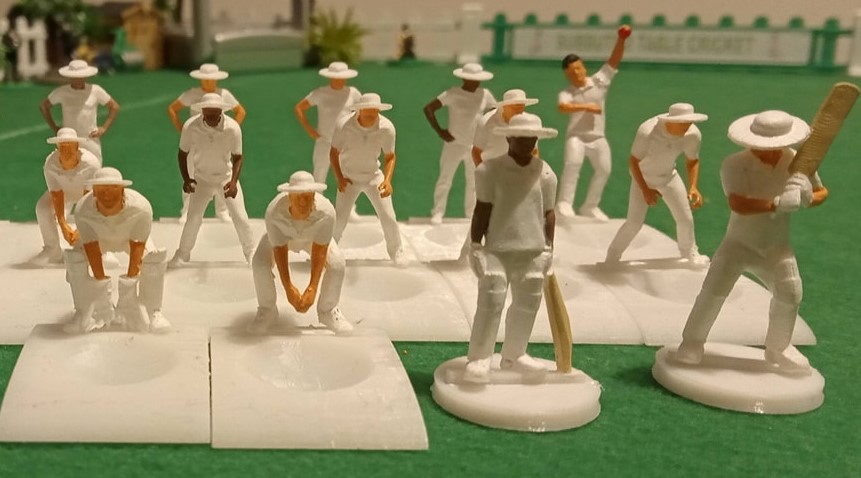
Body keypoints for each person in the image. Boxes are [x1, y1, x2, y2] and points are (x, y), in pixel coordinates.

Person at [675, 110, 827, 372]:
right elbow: (738, 203)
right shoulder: (734, 164)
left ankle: (779, 349)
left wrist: (808, 197)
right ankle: (692, 342)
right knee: (713, 292)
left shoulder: (798, 163)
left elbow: (821, 192)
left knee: (790, 293)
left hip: (776, 247)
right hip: (738, 245)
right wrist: (775, 203)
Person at [463, 113, 557, 383]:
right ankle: (480, 356)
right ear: (509, 138)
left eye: (532, 138)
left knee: (528, 301)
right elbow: (482, 209)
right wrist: (476, 245)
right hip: (497, 249)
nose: (527, 143)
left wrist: (548, 247)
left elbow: (549, 213)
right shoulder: (489, 171)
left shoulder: (545, 173)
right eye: (521, 137)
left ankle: (515, 354)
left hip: (533, 250)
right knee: (491, 300)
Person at [64, 167, 169, 334]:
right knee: (74, 259)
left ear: (122, 190)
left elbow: (137, 246)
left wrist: (128, 293)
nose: (107, 193)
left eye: (113, 188)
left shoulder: (141, 208)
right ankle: (82, 311)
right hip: (100, 240)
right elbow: (91, 248)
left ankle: (154, 311)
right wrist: (101, 292)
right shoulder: (83, 210)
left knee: (153, 260)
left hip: (129, 239)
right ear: (94, 192)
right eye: (101, 189)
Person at [604, 103, 709, 266]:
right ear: (671, 121)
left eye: (689, 123)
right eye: (682, 123)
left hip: (669, 177)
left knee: (685, 218)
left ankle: (689, 252)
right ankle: (613, 255)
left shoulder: (693, 134)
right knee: (634, 222)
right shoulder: (648, 132)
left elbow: (692, 160)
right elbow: (633, 161)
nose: (687, 127)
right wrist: (645, 190)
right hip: (642, 178)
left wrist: (693, 186)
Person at [249, 171, 352, 334]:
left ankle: (328, 310)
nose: (303, 201)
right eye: (298, 196)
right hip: (283, 239)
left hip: (312, 240)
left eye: (307, 196)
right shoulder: (273, 213)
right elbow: (280, 249)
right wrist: (289, 288)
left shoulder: (327, 213)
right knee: (259, 263)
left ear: (314, 196)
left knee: (338, 263)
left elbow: (320, 250)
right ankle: (267, 310)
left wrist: (312, 288)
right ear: (289, 196)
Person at [169, 93, 255, 267]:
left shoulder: (233, 128)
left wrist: (233, 182)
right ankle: (183, 253)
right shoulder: (190, 127)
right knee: (193, 219)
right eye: (208, 114)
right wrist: (187, 179)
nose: (212, 118)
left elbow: (238, 157)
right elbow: (182, 153)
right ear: (202, 111)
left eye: (215, 114)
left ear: (221, 111)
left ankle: (251, 252)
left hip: (225, 179)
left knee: (240, 217)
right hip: (202, 179)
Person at [556, 25, 631, 221]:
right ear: (567, 75)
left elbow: (613, 61)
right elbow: (563, 107)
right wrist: (587, 106)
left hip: (598, 137)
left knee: (604, 170)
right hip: (576, 137)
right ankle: (564, 203)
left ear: (584, 67)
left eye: (578, 68)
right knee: (572, 165)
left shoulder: (599, 81)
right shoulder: (567, 92)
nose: (576, 73)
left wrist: (621, 39)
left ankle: (590, 205)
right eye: (571, 72)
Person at [330, 93, 405, 264]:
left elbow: (390, 156)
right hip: (349, 178)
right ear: (359, 110)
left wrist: (387, 180)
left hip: (374, 178)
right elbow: (333, 152)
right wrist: (340, 178)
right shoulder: (344, 125)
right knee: (339, 219)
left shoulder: (387, 128)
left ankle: (397, 251)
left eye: (375, 111)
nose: (372, 115)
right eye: (368, 111)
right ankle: (329, 251)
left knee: (388, 216)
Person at [168, 63, 246, 223]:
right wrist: (182, 129)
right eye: (205, 79)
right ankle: (187, 210)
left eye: (212, 79)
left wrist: (229, 132)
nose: (209, 82)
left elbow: (240, 111)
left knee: (223, 172)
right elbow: (173, 109)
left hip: (219, 141)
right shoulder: (192, 94)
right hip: (196, 140)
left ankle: (222, 211)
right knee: (191, 172)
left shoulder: (224, 94)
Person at [423, 63, 496, 224]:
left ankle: (470, 214)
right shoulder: (453, 93)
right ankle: (438, 212)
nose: (476, 83)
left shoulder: (485, 94)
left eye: (477, 80)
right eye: (472, 79)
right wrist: (440, 131)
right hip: (454, 144)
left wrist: (486, 131)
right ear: (464, 79)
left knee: (473, 181)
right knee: (445, 179)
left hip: (475, 146)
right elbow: (429, 109)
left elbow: (495, 111)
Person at [33, 128, 100, 265]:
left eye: (70, 146)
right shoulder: (50, 165)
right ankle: (52, 249)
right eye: (62, 147)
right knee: (42, 208)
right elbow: (56, 195)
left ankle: (98, 248)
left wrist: (79, 229)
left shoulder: (91, 164)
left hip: (88, 195)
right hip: (64, 193)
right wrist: (63, 226)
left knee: (100, 209)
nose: (66, 151)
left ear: (77, 147)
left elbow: (87, 200)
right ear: (57, 148)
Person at [40, 60, 120, 163]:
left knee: (94, 166)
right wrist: (54, 127)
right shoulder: (62, 92)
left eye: (80, 77)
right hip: (69, 141)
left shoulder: (95, 90)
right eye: (75, 77)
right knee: (70, 167)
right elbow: (44, 106)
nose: (78, 80)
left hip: (90, 139)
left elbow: (114, 106)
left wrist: (104, 128)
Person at [294, 61, 361, 182]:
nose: (339, 80)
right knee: (319, 173)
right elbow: (299, 108)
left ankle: (347, 195)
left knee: (348, 174)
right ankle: (317, 194)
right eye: (336, 78)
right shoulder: (320, 93)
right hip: (324, 141)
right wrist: (309, 130)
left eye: (342, 78)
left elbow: (361, 111)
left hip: (345, 141)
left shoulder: (353, 93)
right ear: (330, 77)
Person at [471, 88, 538, 166]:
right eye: (514, 108)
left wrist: (533, 170)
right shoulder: (486, 122)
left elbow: (534, 151)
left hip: (517, 169)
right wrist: (483, 171)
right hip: (491, 168)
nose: (518, 112)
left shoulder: (528, 123)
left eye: (521, 108)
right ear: (505, 106)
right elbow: (476, 152)